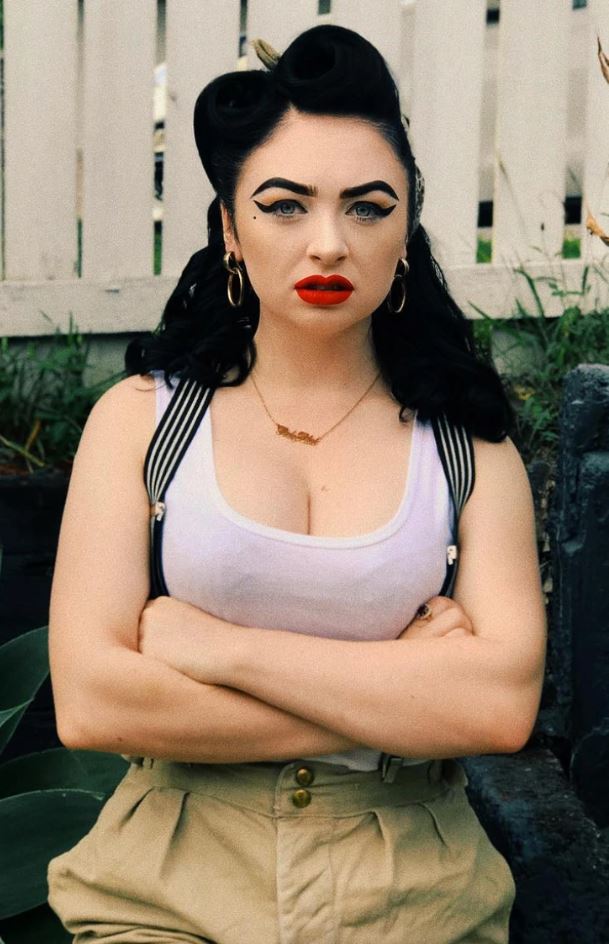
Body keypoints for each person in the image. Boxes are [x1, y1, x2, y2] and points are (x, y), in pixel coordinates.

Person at [46, 24, 546, 944]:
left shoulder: (468, 449)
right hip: (167, 883)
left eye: (367, 208)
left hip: (416, 892)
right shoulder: (143, 422)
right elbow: (92, 703)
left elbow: (498, 709)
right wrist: (404, 695)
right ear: (229, 230)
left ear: (406, 230)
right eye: (283, 206)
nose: (328, 243)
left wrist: (213, 649)